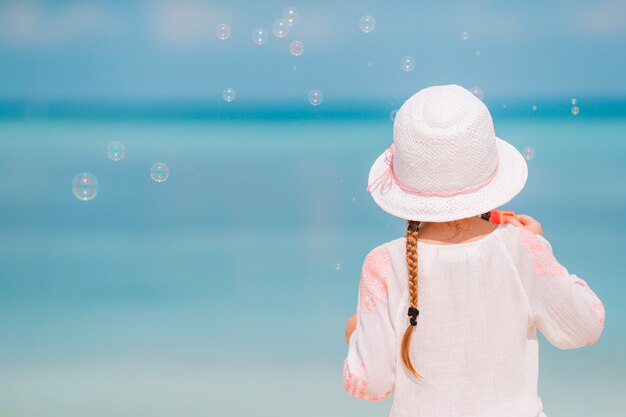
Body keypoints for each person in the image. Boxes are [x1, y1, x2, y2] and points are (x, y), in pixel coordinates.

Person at [341, 84, 605, 417]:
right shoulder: (522, 248)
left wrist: (356, 332)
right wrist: (539, 247)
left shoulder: (383, 264)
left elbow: (371, 384)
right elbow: (584, 326)